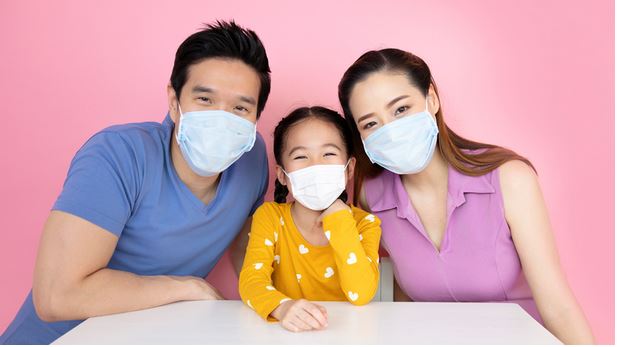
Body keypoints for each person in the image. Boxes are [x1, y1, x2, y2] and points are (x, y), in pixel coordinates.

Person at [0, 20, 270, 344]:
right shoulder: (118, 156)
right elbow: (56, 296)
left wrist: (276, 301)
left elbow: (246, 245)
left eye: (240, 108)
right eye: (205, 100)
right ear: (174, 100)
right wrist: (186, 287)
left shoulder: (252, 160)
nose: (222, 119)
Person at [337, 48, 594, 344]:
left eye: (401, 110)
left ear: (431, 99)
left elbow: (558, 307)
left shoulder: (510, 179)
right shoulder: (372, 196)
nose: (391, 131)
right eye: (371, 123)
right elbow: (404, 297)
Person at [238, 106, 381, 332]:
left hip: (347, 335)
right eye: (301, 156)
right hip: (285, 335)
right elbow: (251, 281)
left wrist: (340, 220)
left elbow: (361, 293)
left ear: (349, 168)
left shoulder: (365, 224)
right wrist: (282, 308)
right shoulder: (270, 217)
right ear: (283, 175)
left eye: (329, 154)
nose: (316, 165)